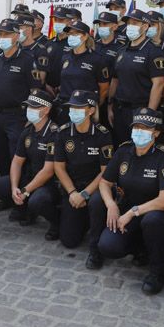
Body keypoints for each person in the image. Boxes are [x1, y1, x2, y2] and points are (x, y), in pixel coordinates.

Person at [91, 108, 164, 294]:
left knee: (152, 220)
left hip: (153, 213)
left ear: (156, 132)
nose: (139, 131)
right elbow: (105, 183)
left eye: (145, 128)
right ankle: (140, 247)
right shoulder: (124, 151)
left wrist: (132, 212)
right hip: (126, 211)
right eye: (136, 127)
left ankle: (157, 272)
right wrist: (111, 204)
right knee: (108, 247)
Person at [0, 89, 60, 236]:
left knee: (37, 201)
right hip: (30, 178)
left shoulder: (54, 133)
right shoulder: (27, 132)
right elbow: (17, 162)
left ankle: (56, 222)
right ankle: (25, 209)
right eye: (28, 106)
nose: (29, 110)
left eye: (33, 107)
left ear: (46, 110)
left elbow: (48, 171)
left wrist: (26, 191)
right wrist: (14, 188)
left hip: (50, 183)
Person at [52, 90, 113, 248]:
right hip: (72, 186)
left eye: (78, 108)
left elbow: (105, 171)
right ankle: (82, 219)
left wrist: (85, 194)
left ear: (91, 110)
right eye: (72, 107)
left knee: (96, 203)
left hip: (95, 187)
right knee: (69, 241)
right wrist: (73, 193)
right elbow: (58, 167)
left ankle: (96, 246)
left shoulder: (102, 134)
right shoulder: (63, 132)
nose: (73, 111)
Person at [0, 19, 41, 176]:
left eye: (7, 34)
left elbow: (36, 90)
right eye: (1, 34)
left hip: (17, 116)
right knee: (1, 155)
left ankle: (19, 191)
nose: (3, 37)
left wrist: (32, 116)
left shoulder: (27, 59)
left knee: (16, 156)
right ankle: (6, 192)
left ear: (17, 36)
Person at [109, 9, 164, 144]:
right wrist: (110, 106)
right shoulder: (121, 51)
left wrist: (149, 114)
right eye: (129, 23)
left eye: (135, 23)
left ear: (145, 26)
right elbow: (115, 79)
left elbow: (158, 84)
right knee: (122, 147)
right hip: (120, 108)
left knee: (139, 147)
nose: (130, 26)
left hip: (140, 109)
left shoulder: (153, 51)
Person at [57, 21, 110, 122]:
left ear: (85, 36)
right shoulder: (65, 57)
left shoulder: (97, 59)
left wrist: (94, 106)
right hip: (65, 106)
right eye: (70, 34)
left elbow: (104, 88)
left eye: (76, 34)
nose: (72, 36)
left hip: (84, 109)